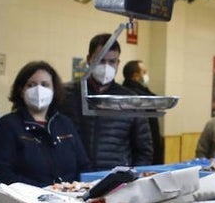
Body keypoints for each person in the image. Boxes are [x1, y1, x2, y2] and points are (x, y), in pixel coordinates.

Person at [0, 60, 89, 187]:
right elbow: (3, 173)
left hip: (69, 198)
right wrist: (45, 190)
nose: (38, 90)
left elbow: (84, 166)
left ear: (54, 89)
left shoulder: (65, 124)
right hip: (25, 201)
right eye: (31, 85)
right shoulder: (6, 126)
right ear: (21, 90)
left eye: (45, 84)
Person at [61, 34, 153, 171]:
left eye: (112, 62)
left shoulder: (131, 100)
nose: (106, 67)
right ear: (89, 59)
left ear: (118, 63)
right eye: (100, 60)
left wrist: (130, 178)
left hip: (115, 181)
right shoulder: (66, 94)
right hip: (74, 180)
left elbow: (144, 150)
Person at [122, 59, 165, 165]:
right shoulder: (139, 98)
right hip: (139, 153)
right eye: (144, 72)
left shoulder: (143, 93)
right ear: (136, 76)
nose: (146, 76)